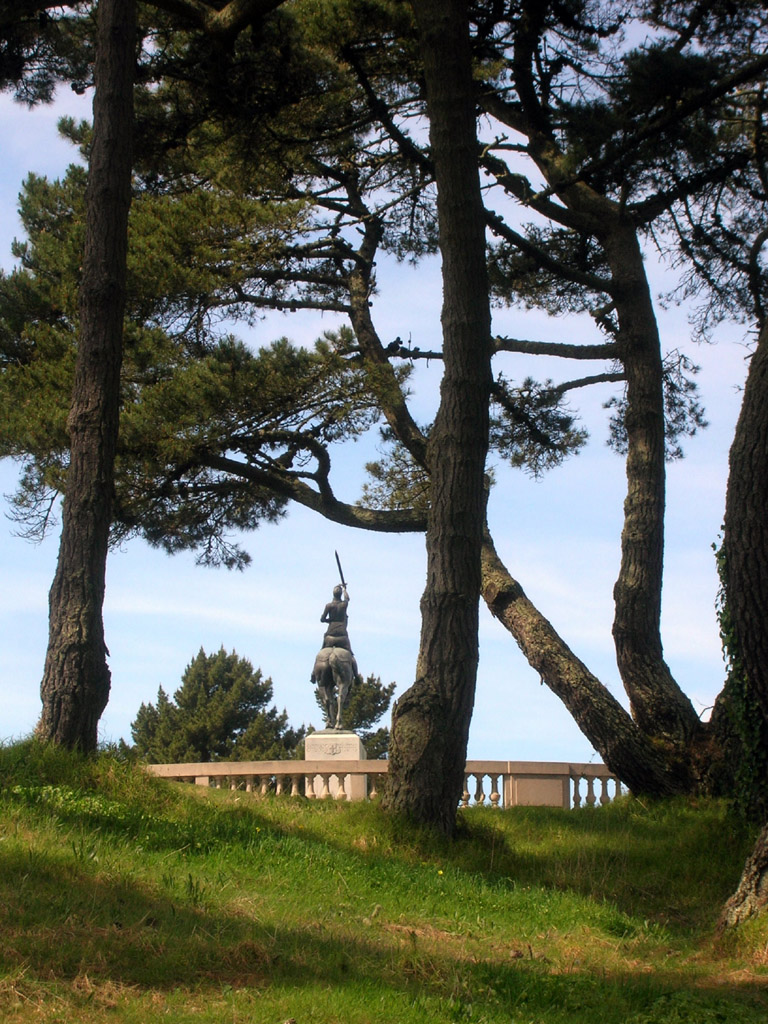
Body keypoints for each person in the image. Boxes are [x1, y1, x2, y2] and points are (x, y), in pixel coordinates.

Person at [321, 584, 351, 650]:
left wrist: (330, 620)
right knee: (350, 652)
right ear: (340, 594)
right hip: (342, 632)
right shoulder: (344, 604)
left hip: (331, 631)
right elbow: (347, 598)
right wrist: (344, 589)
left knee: (324, 640)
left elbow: (322, 619)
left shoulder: (329, 605)